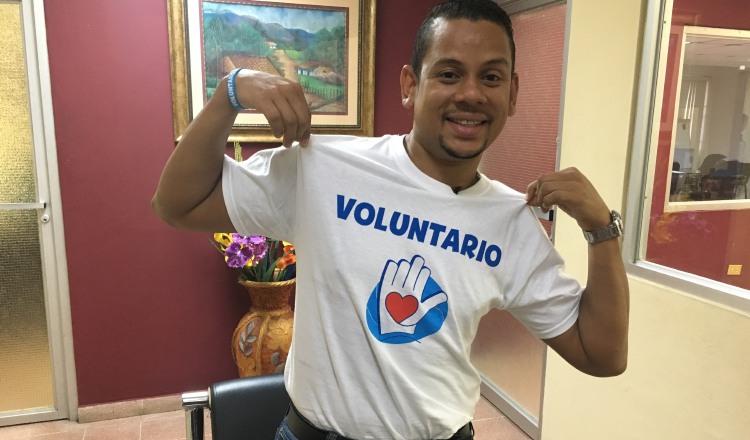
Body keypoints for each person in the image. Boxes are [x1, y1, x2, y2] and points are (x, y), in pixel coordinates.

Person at [152, 0, 629, 438]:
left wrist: (601, 230)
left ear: (512, 93)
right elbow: (178, 205)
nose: (470, 94)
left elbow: (602, 354)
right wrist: (228, 95)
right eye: (448, 74)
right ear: (410, 85)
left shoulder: (512, 222)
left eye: (491, 77)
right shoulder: (326, 169)